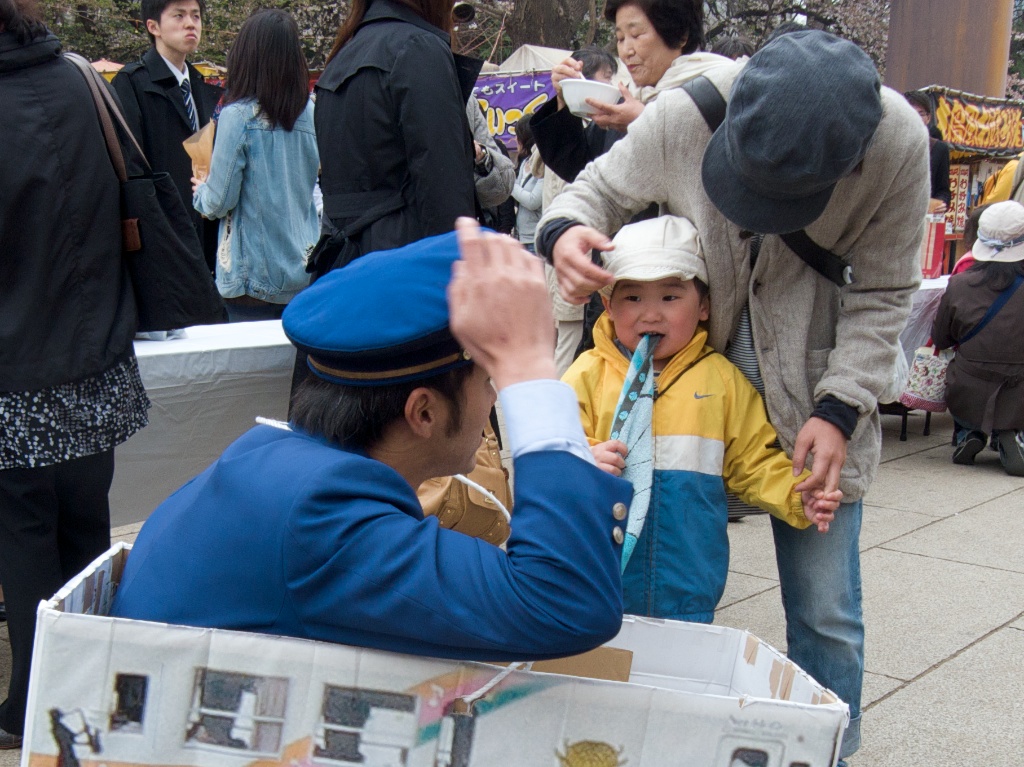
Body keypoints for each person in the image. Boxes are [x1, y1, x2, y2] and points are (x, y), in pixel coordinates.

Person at [537, 31, 930, 762]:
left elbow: (885, 293)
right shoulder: (688, 114)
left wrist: (840, 406)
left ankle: (829, 752)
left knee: (826, 611)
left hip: (818, 398)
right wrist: (561, 233)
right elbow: (592, 189)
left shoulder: (898, 143)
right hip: (688, 385)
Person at [112, 220, 633, 661]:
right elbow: (565, 603)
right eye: (490, 381)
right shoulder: (323, 515)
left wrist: (556, 476)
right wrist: (530, 368)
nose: (496, 399)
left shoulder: (283, 464)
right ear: (423, 412)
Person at [0, 0, 150, 747]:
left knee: (25, 533)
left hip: (13, 369)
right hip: (97, 353)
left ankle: (32, 700)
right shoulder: (80, 78)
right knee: (88, 525)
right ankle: (94, 689)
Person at [564, 216, 839, 622]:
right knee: (603, 672)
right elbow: (552, 450)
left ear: (705, 305)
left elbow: (755, 462)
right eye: (633, 298)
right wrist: (584, 459)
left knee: (679, 674)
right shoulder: (586, 374)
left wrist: (799, 495)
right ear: (607, 304)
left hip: (689, 581)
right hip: (596, 577)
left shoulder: (721, 380)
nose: (650, 315)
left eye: (670, 298)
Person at [311, 0, 477, 274]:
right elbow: (446, 202)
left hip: (343, 267)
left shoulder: (341, 56)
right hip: (407, 273)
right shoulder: (418, 48)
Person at [191, 9, 318, 322]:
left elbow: (220, 201)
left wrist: (200, 192)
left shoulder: (239, 116)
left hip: (252, 279)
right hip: (304, 267)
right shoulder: (311, 112)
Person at [532, 0, 731, 185]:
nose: (626, 51)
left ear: (680, 36)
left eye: (636, 36)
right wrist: (563, 98)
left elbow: (727, 178)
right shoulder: (627, 98)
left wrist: (644, 122)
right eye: (620, 38)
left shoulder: (719, 92)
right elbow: (579, 166)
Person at [112, 0, 222, 271]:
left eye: (196, 16)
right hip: (161, 236)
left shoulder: (202, 86)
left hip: (207, 229)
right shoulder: (132, 83)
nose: (190, 24)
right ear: (153, 26)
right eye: (179, 15)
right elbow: (130, 167)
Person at [932, 201, 1024, 474]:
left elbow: (941, 339)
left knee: (963, 369)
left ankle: (968, 432)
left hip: (967, 390)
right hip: (1020, 392)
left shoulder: (960, 284)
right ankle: (1013, 434)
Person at [904, 90, 951, 214]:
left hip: (924, 217)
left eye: (921, 113)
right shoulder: (894, 144)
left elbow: (943, 190)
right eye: (911, 112)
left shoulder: (939, 149)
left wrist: (941, 202)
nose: (916, 118)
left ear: (928, 118)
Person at [511, 115, 543, 252]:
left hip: (535, 238)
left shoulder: (543, 163)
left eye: (518, 137)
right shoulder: (525, 162)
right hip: (520, 237)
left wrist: (510, 185)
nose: (515, 141)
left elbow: (533, 200)